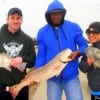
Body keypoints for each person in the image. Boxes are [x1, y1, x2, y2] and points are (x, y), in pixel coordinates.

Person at [35, 0, 87, 100]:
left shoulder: (74, 27)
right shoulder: (42, 32)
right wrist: (37, 72)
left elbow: (84, 45)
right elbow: (41, 55)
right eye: (53, 14)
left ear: (63, 13)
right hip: (52, 80)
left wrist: (78, 52)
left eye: (59, 13)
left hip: (71, 78)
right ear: (48, 15)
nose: (56, 16)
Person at [0, 7, 36, 100]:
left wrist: (22, 59)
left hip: (21, 87)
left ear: (22, 20)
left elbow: (33, 60)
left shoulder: (27, 39)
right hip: (1, 89)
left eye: (18, 18)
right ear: (7, 19)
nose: (15, 21)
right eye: (12, 18)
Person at [79, 22, 100, 100]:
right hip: (95, 89)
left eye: (95, 32)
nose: (91, 35)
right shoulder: (89, 50)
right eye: (88, 32)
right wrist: (87, 63)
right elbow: (82, 67)